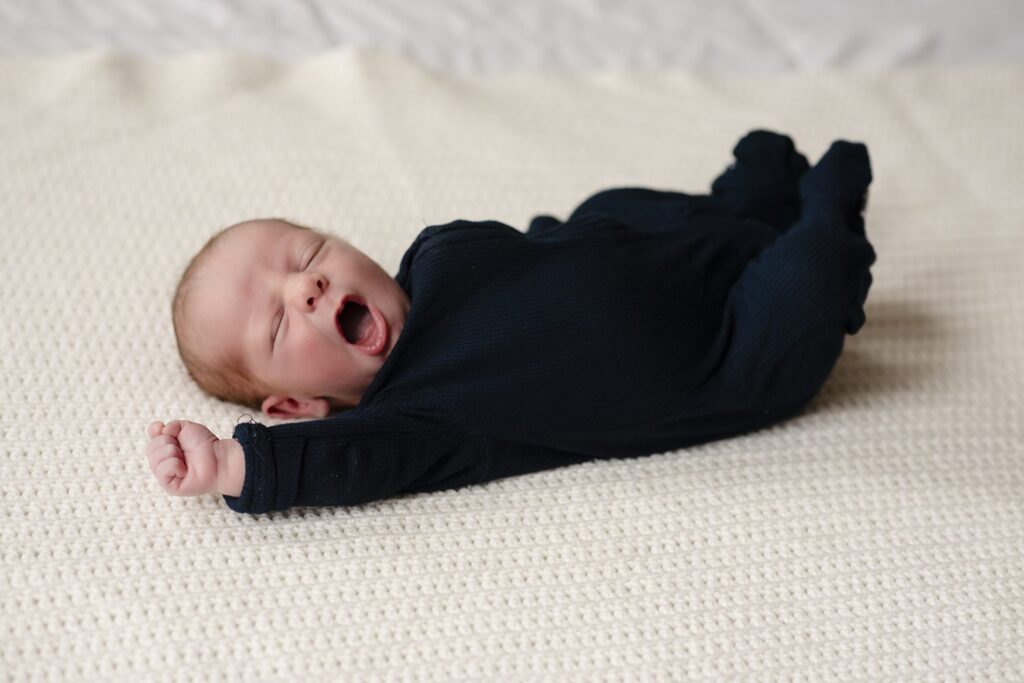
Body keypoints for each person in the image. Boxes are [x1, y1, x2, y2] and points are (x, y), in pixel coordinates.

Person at [144, 129, 876, 515]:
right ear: (297, 406)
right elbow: (347, 462)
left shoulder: (435, 255)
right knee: (808, 274)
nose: (305, 285)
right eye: (276, 325)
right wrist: (234, 466)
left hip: (660, 246)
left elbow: (536, 248)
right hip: (730, 348)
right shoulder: (419, 412)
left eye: (306, 253)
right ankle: (823, 213)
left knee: (609, 205)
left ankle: (744, 203)